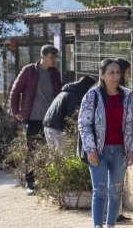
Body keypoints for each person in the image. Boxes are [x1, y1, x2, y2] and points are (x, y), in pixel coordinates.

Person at [78, 59, 133, 228]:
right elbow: (84, 123)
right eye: (111, 73)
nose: (115, 77)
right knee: (100, 189)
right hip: (99, 151)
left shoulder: (127, 96)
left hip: (120, 151)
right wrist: (90, 149)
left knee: (116, 189)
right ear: (102, 75)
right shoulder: (92, 96)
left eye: (118, 73)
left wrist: (132, 150)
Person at [9, 45, 62, 195]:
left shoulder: (55, 74)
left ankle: (46, 181)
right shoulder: (29, 71)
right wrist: (16, 111)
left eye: (55, 57)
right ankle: (30, 182)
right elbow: (15, 91)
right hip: (32, 118)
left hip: (50, 120)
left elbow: (59, 94)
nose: (54, 60)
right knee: (32, 151)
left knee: (50, 150)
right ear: (43, 56)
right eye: (52, 57)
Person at [43, 75, 96, 149]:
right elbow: (71, 117)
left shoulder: (68, 91)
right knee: (63, 156)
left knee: (55, 155)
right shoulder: (75, 96)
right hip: (57, 128)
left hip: (49, 125)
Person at [113, 58, 133, 223]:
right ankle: (112, 214)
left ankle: (115, 213)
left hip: (120, 143)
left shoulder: (124, 93)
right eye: (127, 72)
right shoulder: (118, 93)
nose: (128, 75)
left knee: (116, 181)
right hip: (112, 144)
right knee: (114, 182)